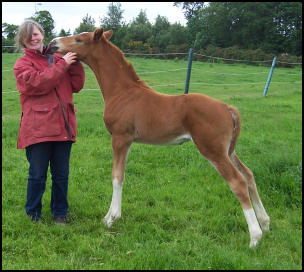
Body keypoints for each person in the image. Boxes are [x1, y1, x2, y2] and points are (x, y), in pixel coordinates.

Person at [13, 19, 85, 225]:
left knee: (61, 175)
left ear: (42, 35)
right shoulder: (22, 65)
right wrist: (63, 65)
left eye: (36, 34)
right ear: (23, 41)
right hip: (38, 128)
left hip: (63, 125)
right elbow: (37, 84)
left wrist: (76, 63)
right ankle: (33, 214)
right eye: (28, 36)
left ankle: (60, 214)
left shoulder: (59, 58)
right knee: (37, 175)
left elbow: (77, 85)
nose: (33, 38)